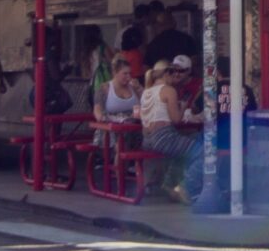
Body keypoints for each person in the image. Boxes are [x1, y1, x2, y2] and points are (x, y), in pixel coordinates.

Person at [184, 56, 257, 203]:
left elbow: (196, 111)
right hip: (242, 140)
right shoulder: (247, 89)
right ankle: (225, 189)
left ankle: (192, 189)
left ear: (217, 73)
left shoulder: (212, 90)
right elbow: (253, 113)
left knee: (193, 144)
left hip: (217, 141)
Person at [139, 59, 195, 202]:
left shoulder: (146, 91)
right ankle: (179, 186)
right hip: (163, 137)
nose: (175, 76)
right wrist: (183, 107)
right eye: (173, 72)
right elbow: (176, 119)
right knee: (199, 149)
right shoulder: (169, 90)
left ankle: (170, 184)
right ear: (166, 74)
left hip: (147, 139)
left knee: (182, 147)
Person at [92, 57, 142, 151]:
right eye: (125, 74)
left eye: (130, 74)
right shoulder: (104, 88)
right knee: (120, 139)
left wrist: (139, 89)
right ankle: (119, 157)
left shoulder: (134, 87)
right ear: (115, 72)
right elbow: (97, 111)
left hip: (133, 127)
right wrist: (105, 118)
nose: (128, 77)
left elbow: (145, 103)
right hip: (111, 128)